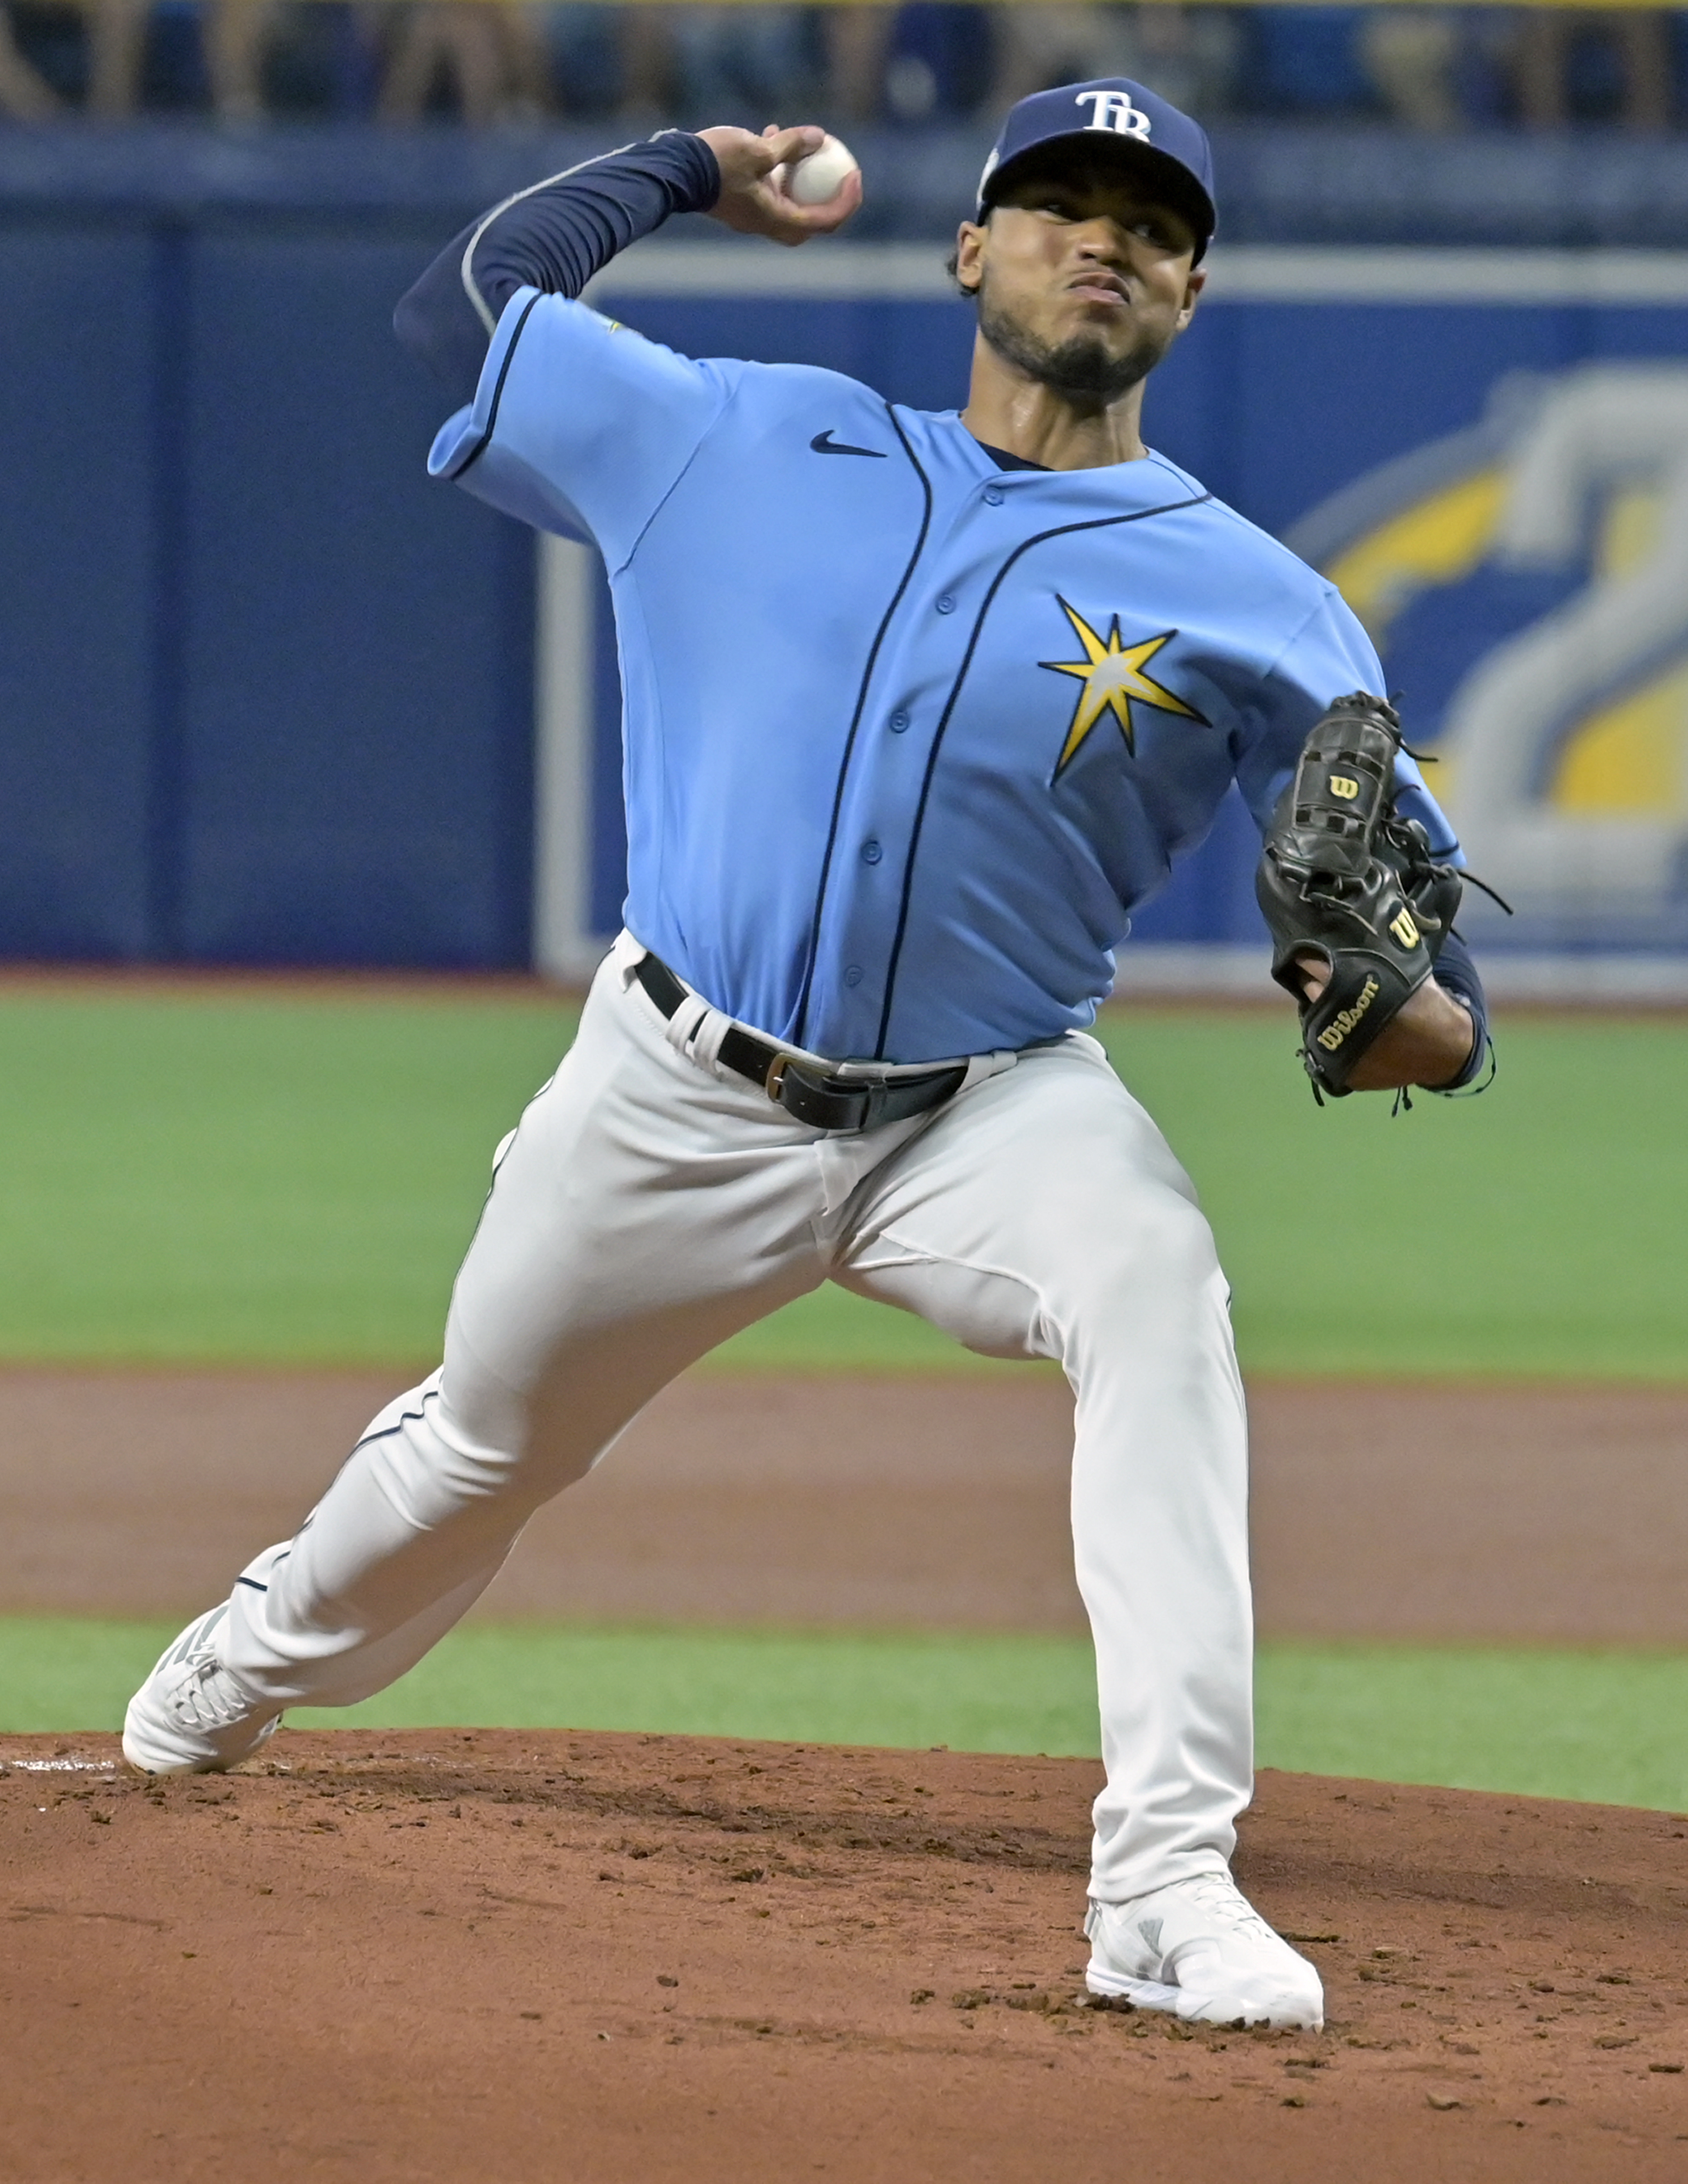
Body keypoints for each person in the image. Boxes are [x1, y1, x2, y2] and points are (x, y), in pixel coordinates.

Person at [122, 77, 1488, 2031]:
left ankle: (1165, 1877)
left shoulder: (1274, 612)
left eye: (1150, 222)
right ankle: (258, 1648)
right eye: (1057, 203)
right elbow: (462, 308)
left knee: (1158, 1288)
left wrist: (1376, 1017)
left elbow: (1428, 1014)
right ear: (971, 247)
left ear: (1191, 293)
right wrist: (690, 168)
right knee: (480, 1450)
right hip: (675, 1083)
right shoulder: (737, 433)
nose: (1100, 239)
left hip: (991, 1103)